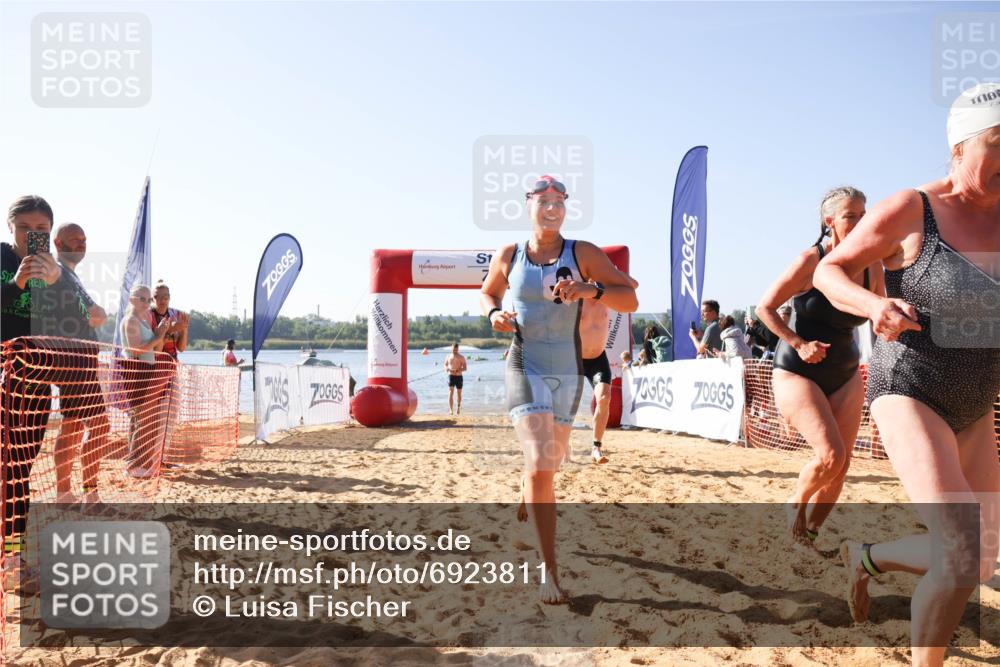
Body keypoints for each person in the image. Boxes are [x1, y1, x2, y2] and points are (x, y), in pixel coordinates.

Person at [813, 84, 1000, 666]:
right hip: (911, 390)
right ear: (959, 148)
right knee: (963, 553)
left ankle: (867, 557)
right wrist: (874, 307)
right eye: (999, 142)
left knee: (981, 554)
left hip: (975, 404)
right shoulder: (912, 207)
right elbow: (830, 271)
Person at [480, 175, 638, 603]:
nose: (552, 207)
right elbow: (488, 293)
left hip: (569, 371)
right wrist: (494, 313)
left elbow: (630, 298)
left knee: (549, 468)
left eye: (560, 201)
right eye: (543, 200)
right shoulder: (510, 254)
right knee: (539, 463)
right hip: (524, 362)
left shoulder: (582, 252)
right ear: (527, 204)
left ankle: (530, 488)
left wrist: (593, 289)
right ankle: (549, 571)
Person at [758, 186, 883, 549]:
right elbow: (764, 308)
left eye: (864, 214)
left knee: (841, 467)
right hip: (798, 368)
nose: (860, 222)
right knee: (831, 456)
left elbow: (880, 314)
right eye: (850, 216)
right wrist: (799, 342)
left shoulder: (870, 264)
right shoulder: (809, 261)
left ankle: (809, 534)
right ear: (829, 222)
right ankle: (795, 502)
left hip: (844, 371)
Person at [0, 195, 67, 590]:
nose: (34, 236)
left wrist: (57, 285)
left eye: (42, 230)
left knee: (19, 473)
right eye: (26, 228)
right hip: (2, 377)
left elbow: (78, 323)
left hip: (35, 385)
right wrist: (17, 282)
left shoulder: (56, 273)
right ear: (10, 228)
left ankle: (13, 555)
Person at [51, 222, 111, 503]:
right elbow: (80, 314)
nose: (81, 243)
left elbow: (91, 314)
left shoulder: (71, 275)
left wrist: (95, 314)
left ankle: (67, 493)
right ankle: (87, 494)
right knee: (98, 425)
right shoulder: (58, 272)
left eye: (84, 239)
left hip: (81, 360)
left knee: (73, 425)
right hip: (73, 360)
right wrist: (94, 313)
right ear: (58, 243)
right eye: (75, 239)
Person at [581, 275, 639, 464]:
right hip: (574, 357)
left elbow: (634, 285)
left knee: (604, 399)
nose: (592, 280)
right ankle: (562, 446)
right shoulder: (576, 297)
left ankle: (596, 447)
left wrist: (612, 272)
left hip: (597, 358)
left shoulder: (605, 296)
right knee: (565, 405)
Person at [119, 283, 172, 479]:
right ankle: (134, 466)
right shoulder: (130, 320)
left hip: (148, 370)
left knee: (146, 419)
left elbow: (155, 351)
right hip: (137, 372)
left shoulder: (142, 320)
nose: (147, 303)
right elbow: (136, 351)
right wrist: (157, 335)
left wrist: (161, 334)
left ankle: (139, 462)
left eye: (149, 299)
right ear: (132, 299)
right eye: (143, 298)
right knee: (142, 419)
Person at [444, 342, 467, 415]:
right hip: (451, 376)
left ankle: (458, 407)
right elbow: (445, 365)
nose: (455, 351)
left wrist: (459, 370)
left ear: (458, 349)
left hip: (459, 376)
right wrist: (447, 369)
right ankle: (451, 410)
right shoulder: (448, 356)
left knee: (459, 393)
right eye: (453, 349)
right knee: (451, 392)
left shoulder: (461, 357)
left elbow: (465, 368)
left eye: (456, 350)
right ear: (451, 348)